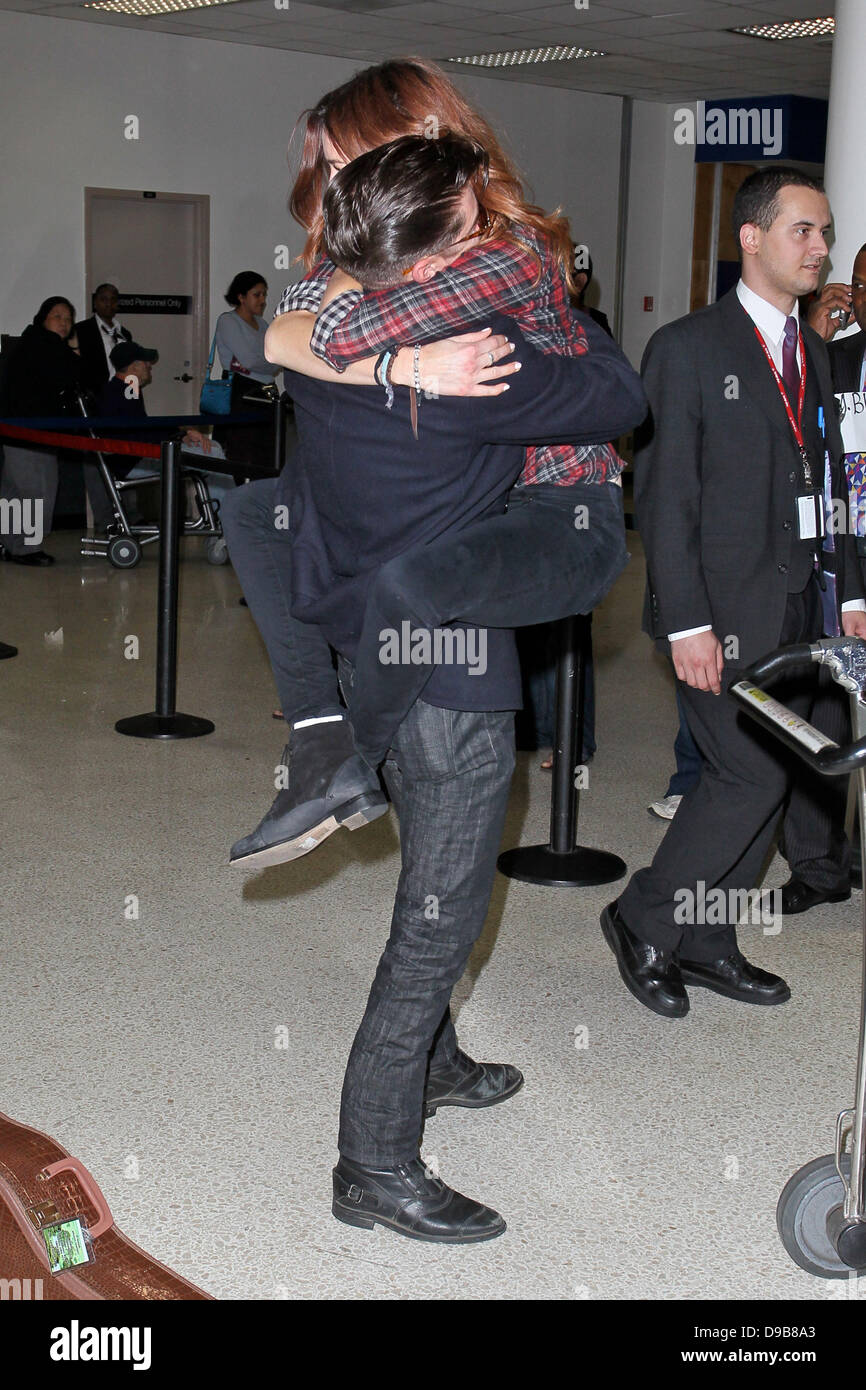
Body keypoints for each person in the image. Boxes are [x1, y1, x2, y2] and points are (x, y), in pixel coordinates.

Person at [260, 134, 644, 1244]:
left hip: (365, 637)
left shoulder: (328, 354)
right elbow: (615, 390)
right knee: (440, 914)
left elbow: (303, 317)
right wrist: (551, 291)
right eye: (469, 232)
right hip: (452, 669)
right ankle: (371, 1161)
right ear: (427, 267)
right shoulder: (476, 366)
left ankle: (432, 1062)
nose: (487, 242)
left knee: (428, 883)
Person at [226, 58, 635, 870]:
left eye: (348, 162)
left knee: (414, 600)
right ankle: (319, 736)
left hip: (550, 499)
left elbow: (324, 335)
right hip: (465, 499)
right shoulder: (391, 246)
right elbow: (282, 336)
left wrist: (345, 323)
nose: (336, 184)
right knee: (254, 514)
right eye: (332, 168)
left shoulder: (498, 253)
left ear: (416, 146)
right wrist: (399, 365)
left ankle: (349, 768)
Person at [600, 167, 866, 1020]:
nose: (820, 249)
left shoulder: (815, 353)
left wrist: (850, 595)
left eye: (824, 234)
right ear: (750, 237)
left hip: (795, 610)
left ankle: (708, 936)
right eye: (804, 231)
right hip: (714, 610)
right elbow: (667, 497)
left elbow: (833, 485)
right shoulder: (687, 349)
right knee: (746, 775)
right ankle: (642, 916)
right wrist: (687, 623)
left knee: (779, 776)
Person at [775, 240, 866, 913]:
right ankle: (817, 865)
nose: (863, 297)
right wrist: (812, 335)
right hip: (838, 560)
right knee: (823, 716)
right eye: (859, 284)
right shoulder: (834, 360)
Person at [0, 296, 86, 566]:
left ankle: (9, 544)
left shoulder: (30, 343)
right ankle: (26, 549)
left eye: (68, 319)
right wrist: (74, 350)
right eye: (57, 316)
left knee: (13, 491)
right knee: (37, 490)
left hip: (17, 430)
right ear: (43, 318)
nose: (64, 323)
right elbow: (77, 373)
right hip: (31, 431)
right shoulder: (45, 345)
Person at [211, 272, 280, 481]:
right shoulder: (228, 321)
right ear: (241, 297)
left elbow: (273, 360)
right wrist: (268, 363)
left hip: (266, 392)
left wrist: (267, 363)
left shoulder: (264, 324)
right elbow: (251, 361)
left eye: (264, 295)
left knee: (267, 452)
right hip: (241, 392)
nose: (263, 300)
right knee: (240, 452)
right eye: (256, 295)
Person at [75, 284, 131, 392]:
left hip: (123, 393)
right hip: (96, 395)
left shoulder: (124, 334)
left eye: (113, 299)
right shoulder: (82, 330)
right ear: (95, 303)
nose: (109, 304)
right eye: (104, 299)